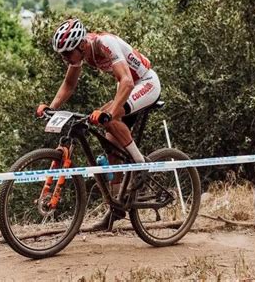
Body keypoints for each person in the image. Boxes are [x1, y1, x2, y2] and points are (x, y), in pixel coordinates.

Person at [36, 18, 161, 230]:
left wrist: (110, 113)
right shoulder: (81, 52)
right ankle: (117, 208)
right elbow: (69, 84)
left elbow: (127, 81)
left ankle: (141, 166)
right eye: (63, 55)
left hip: (145, 84)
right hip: (129, 88)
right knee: (110, 147)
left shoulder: (105, 43)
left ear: (81, 45)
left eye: (67, 53)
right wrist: (51, 107)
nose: (66, 58)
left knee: (108, 119)